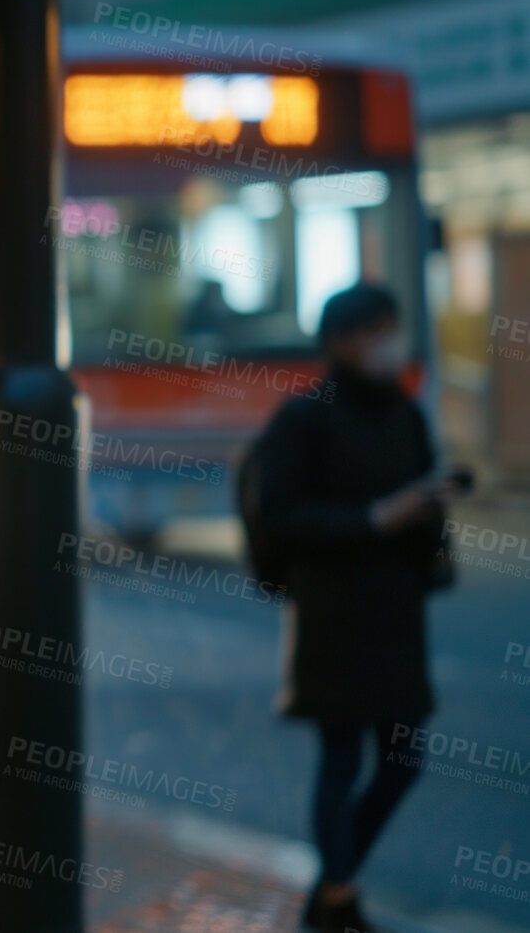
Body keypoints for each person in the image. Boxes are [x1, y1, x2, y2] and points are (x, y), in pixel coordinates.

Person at [252, 284, 458, 933]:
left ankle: (332, 884)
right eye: (371, 331)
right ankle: (338, 896)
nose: (385, 342)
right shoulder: (304, 418)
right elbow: (279, 516)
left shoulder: (406, 413)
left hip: (396, 612)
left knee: (402, 762)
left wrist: (430, 507)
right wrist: (373, 518)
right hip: (332, 613)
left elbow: (422, 499)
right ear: (337, 342)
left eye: (390, 327)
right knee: (341, 757)